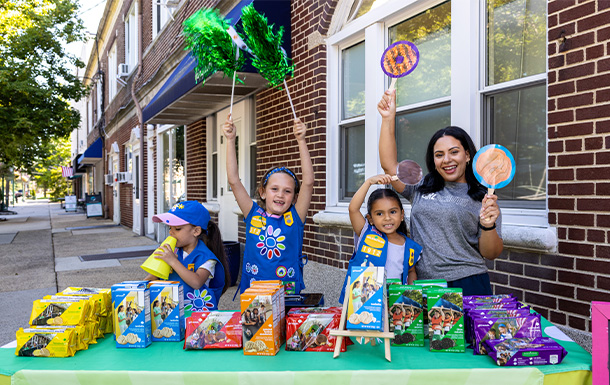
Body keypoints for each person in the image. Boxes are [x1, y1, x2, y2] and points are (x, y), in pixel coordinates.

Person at [378, 89, 503, 296]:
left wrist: (488, 225)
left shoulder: (484, 197)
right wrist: (388, 118)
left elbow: (491, 253)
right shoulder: (421, 186)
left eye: (454, 152)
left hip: (467, 283)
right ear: (433, 161)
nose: (447, 159)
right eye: (439, 155)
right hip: (424, 284)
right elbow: (390, 166)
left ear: (467, 155)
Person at [223, 114, 314, 294]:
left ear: (294, 198)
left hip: (287, 293)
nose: (280, 195)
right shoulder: (253, 213)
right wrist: (230, 140)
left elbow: (308, 182)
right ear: (263, 193)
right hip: (254, 293)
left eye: (287, 191)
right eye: (274, 189)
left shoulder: (295, 217)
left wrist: (301, 140)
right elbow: (233, 180)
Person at [339, 176, 423, 302]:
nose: (387, 218)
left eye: (393, 212)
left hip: (394, 304)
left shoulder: (410, 246)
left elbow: (411, 272)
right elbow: (353, 209)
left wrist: (412, 298)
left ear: (401, 215)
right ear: (371, 219)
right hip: (364, 303)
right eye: (379, 214)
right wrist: (369, 182)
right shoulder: (366, 233)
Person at [146, 200, 231, 311]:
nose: (171, 233)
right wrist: (141, 285)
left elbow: (196, 282)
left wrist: (173, 261)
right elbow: (155, 276)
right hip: (173, 313)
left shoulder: (206, 258)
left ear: (196, 231)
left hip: (197, 316)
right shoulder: (174, 251)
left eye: (177, 229)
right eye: (169, 228)